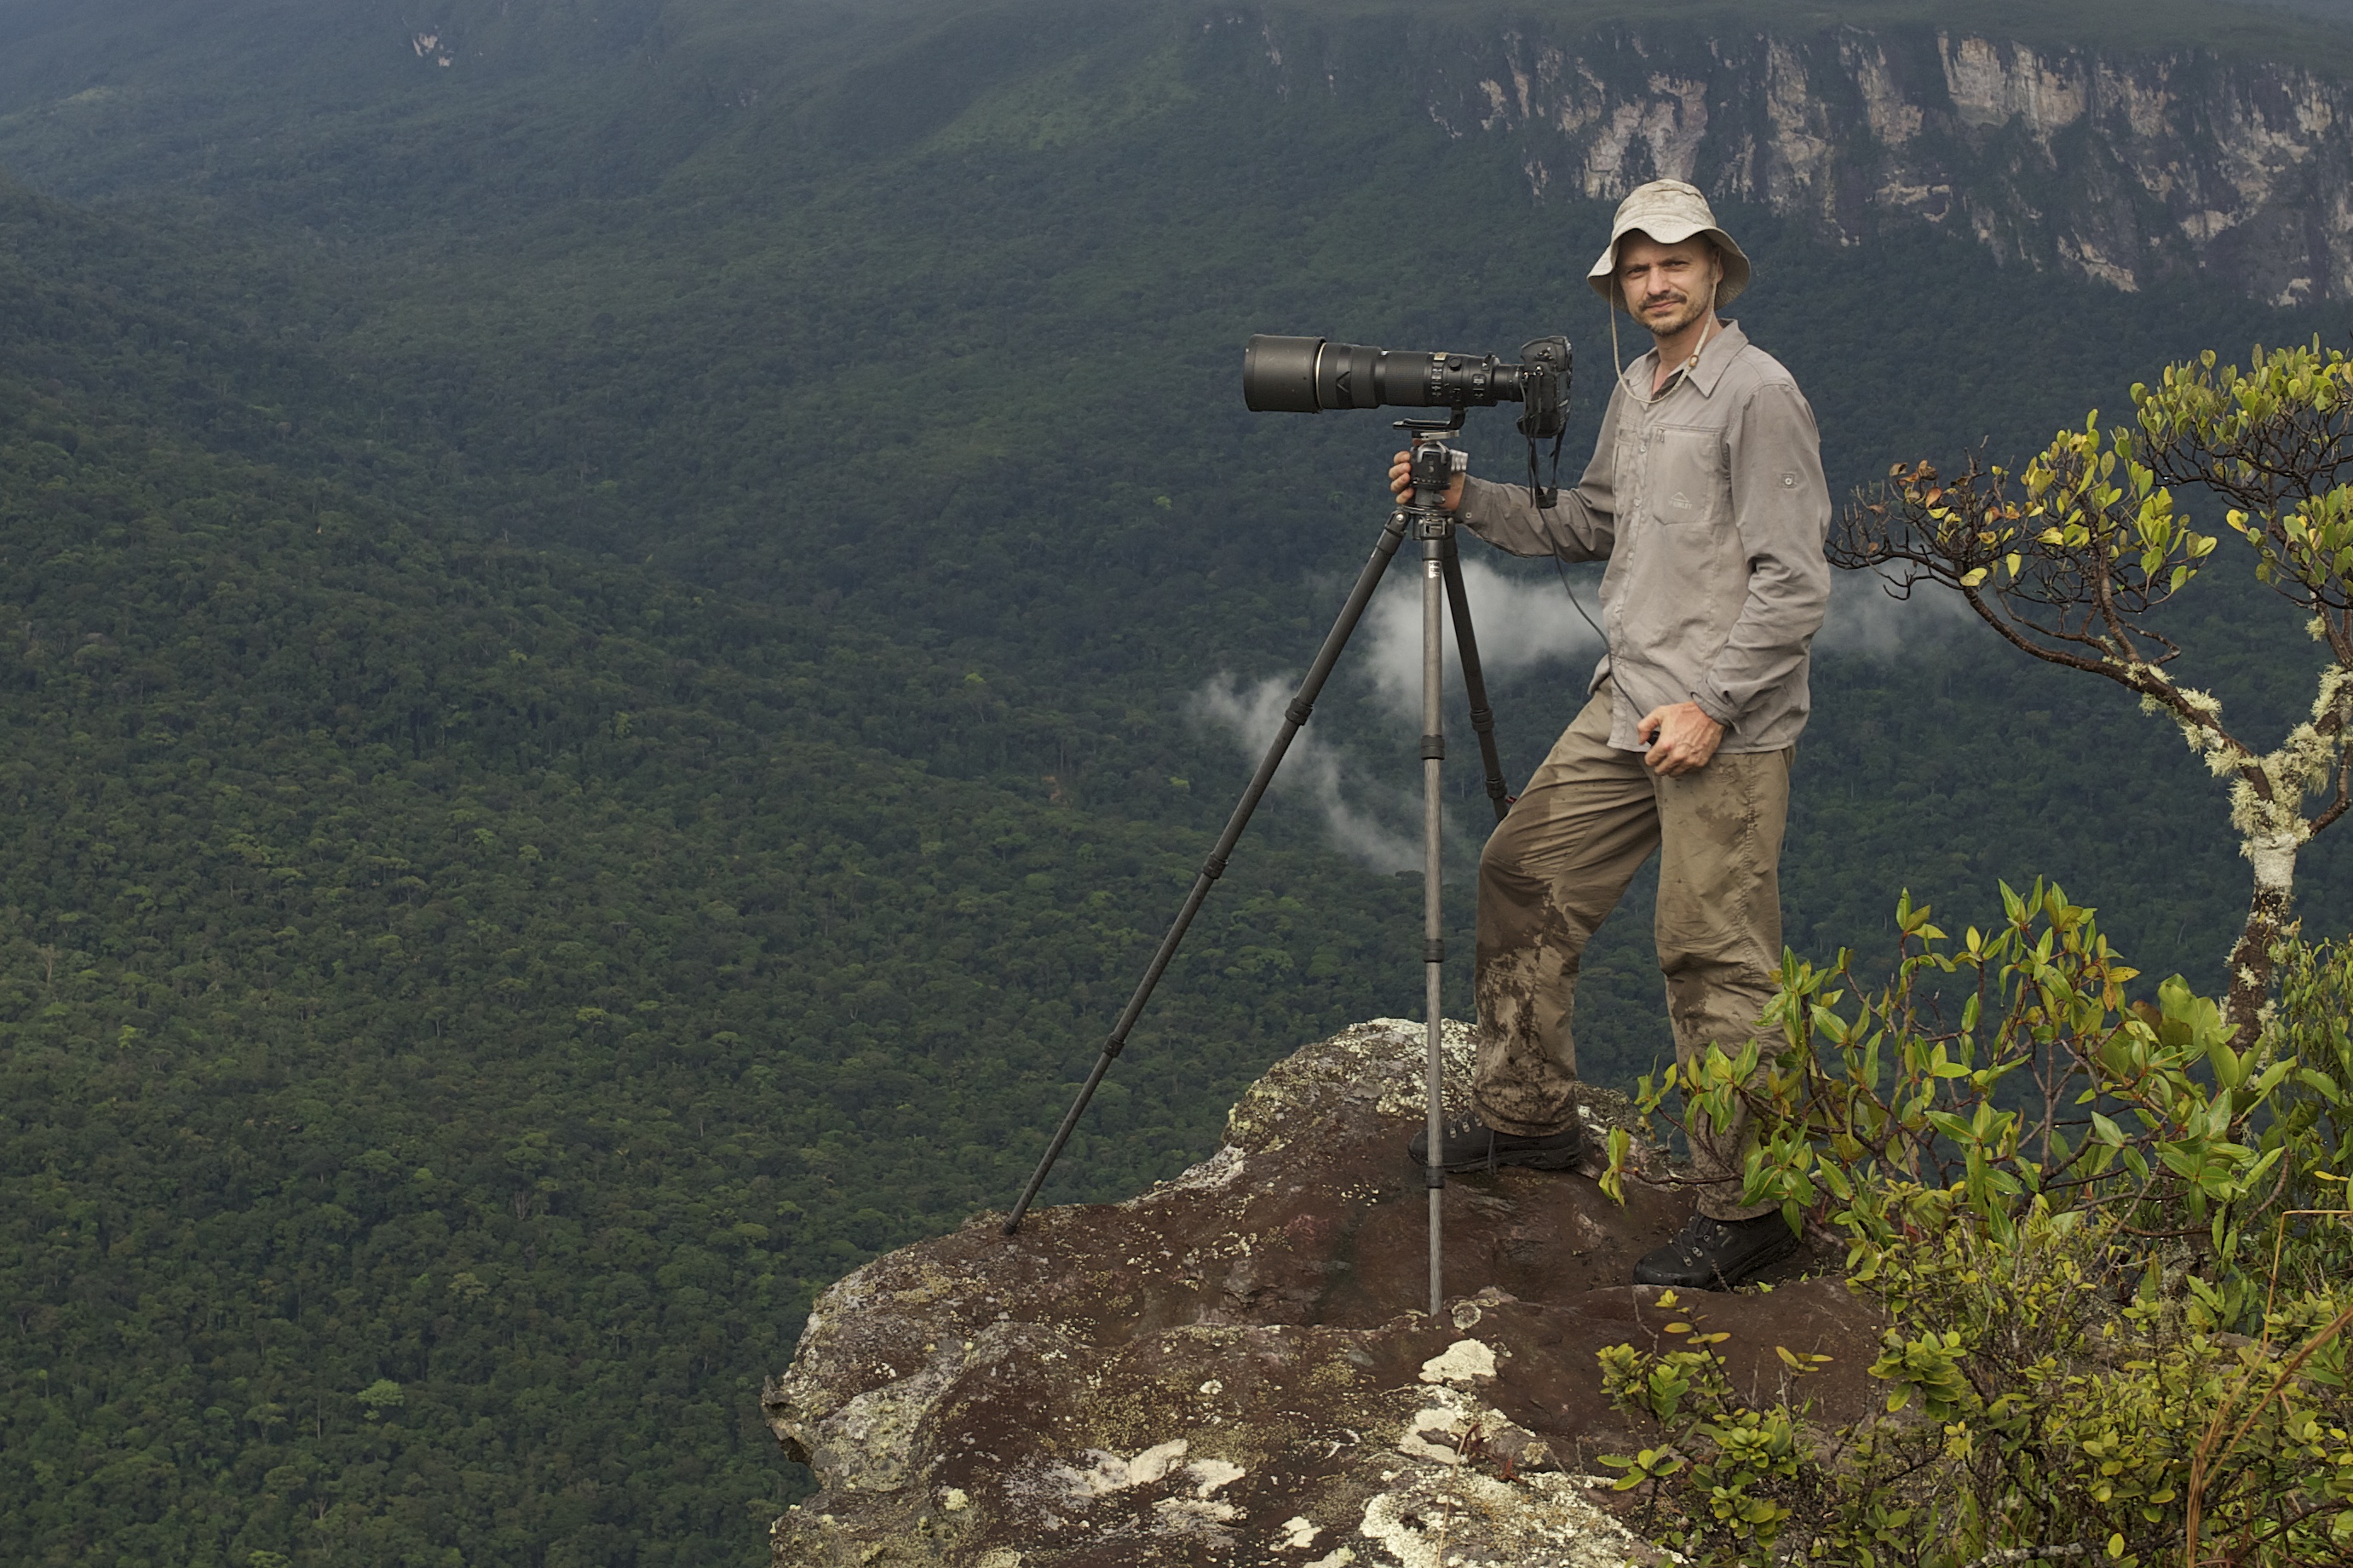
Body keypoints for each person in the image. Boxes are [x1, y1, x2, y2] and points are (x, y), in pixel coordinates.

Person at [1387, 180, 1831, 1290]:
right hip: (1628, 698)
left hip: (1719, 727)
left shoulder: (1757, 394)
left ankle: (1749, 1210)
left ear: (1715, 271)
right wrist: (1465, 501)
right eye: (1636, 267)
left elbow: (1794, 583)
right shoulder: (1639, 388)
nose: (1656, 281)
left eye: (1675, 262)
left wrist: (1712, 705)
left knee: (1710, 957)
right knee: (1521, 870)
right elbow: (1589, 521)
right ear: (1619, 284)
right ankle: (1530, 1114)